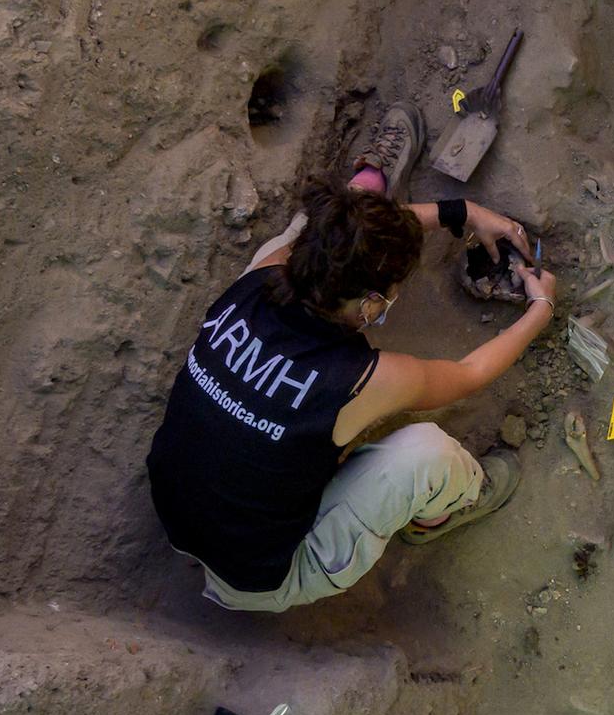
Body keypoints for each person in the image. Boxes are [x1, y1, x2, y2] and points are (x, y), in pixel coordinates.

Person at [145, 103, 555, 612]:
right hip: (261, 577)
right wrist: (539, 309)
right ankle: (446, 511)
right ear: (370, 303)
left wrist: (462, 212)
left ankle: (368, 186)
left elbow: (325, 235)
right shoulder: (361, 378)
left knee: (302, 226)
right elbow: (468, 374)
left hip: (176, 515)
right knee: (428, 455)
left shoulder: (262, 275)